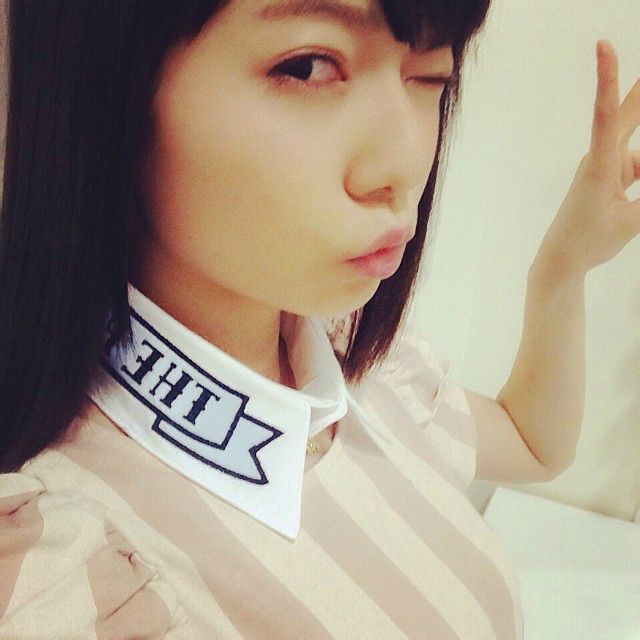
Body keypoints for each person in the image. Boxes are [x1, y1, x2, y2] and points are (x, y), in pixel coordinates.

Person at [2, 0, 639, 637]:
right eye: (308, 67)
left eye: (430, 74)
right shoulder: (69, 575)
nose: (402, 169)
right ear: (103, 89)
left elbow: (533, 445)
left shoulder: (355, 361)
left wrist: (564, 266)